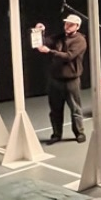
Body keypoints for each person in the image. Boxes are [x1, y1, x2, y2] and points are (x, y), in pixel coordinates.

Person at [34, 14, 87, 144]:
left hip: (71, 81)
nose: (67, 26)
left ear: (77, 26)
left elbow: (69, 56)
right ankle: (56, 134)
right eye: (66, 23)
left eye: (71, 24)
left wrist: (49, 52)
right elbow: (44, 42)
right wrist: (39, 32)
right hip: (55, 80)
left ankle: (79, 133)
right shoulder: (60, 37)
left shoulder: (80, 40)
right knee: (55, 110)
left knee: (75, 109)